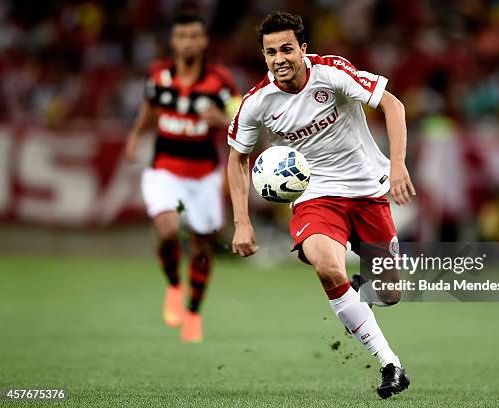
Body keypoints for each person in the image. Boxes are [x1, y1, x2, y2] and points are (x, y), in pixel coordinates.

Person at [227, 11, 416, 398]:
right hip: (316, 196)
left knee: (390, 293)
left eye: (286, 49)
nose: (279, 58)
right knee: (327, 266)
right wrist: (241, 222)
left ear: (303, 49)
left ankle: (361, 290)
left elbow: (392, 106)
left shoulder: (331, 72)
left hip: (368, 191)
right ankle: (390, 364)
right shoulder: (257, 102)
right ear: (263, 56)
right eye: (270, 52)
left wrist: (397, 165)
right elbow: (237, 158)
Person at [125, 13, 240, 343]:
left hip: (204, 175)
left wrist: (221, 118)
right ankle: (174, 286)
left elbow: (241, 122)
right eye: (182, 36)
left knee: (203, 245)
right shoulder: (158, 75)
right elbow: (150, 107)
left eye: (194, 36)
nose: (188, 42)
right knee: (168, 229)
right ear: (173, 42)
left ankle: (193, 311)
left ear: (204, 41)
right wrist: (135, 135)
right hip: (164, 169)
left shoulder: (221, 81)